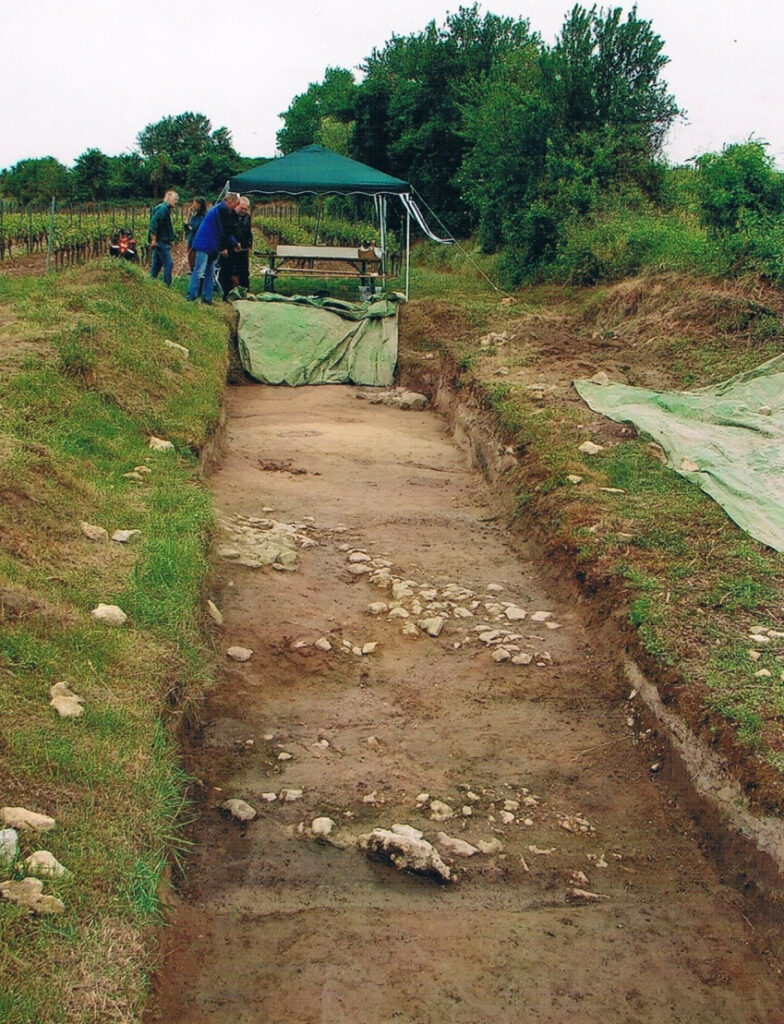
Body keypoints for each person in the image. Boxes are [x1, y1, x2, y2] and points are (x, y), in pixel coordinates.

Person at [186, 192, 241, 305]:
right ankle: (191, 297)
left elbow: (225, 230)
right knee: (199, 271)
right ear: (229, 201)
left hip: (212, 245)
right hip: (205, 244)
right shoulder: (222, 210)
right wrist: (233, 243)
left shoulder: (221, 209)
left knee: (210, 273)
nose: (235, 208)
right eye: (235, 205)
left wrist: (232, 242)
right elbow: (224, 230)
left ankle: (207, 298)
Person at [218, 195, 252, 298]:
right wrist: (224, 247)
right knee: (227, 270)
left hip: (242, 249)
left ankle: (244, 291)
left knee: (244, 271)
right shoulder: (229, 215)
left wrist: (248, 246)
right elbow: (224, 233)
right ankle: (226, 292)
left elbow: (248, 232)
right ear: (237, 205)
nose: (243, 211)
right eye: (242, 208)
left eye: (245, 209)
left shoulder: (247, 217)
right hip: (230, 248)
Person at [148, 189, 178, 286]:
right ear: (168, 198)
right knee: (168, 263)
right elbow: (153, 224)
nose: (176, 202)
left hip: (162, 241)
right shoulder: (163, 209)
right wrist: (153, 240)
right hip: (161, 242)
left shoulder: (165, 209)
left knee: (156, 265)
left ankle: (150, 284)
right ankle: (167, 285)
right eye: (175, 199)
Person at [184, 197, 207, 271]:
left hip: (199, 243)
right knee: (191, 259)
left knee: (197, 262)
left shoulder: (204, 216)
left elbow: (196, 228)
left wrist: (191, 227)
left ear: (199, 205)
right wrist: (188, 215)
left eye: (194, 204)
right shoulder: (194, 216)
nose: (193, 206)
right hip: (191, 241)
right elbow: (187, 227)